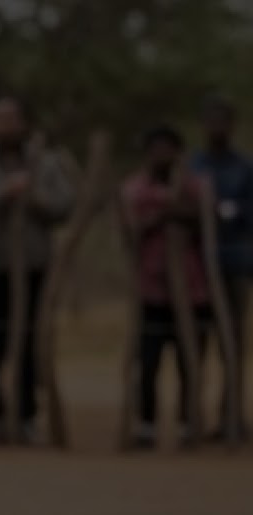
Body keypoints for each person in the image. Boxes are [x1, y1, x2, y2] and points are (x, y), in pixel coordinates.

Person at [0, 94, 74, 445]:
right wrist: (4, 192)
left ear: (24, 123)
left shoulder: (47, 161)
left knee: (28, 344)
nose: (6, 126)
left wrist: (34, 195)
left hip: (34, 266)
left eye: (12, 119)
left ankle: (25, 418)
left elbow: (64, 206)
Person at [122, 126, 213, 449]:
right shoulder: (133, 189)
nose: (161, 155)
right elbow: (130, 228)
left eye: (167, 149)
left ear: (178, 152)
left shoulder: (196, 186)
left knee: (191, 362)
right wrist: (164, 213)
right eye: (155, 149)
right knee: (147, 363)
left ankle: (189, 423)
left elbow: (209, 220)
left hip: (193, 289)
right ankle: (146, 424)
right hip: (151, 289)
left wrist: (179, 209)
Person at [190, 96, 253, 442]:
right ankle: (193, 417)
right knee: (196, 340)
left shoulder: (244, 168)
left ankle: (231, 415)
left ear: (232, 125)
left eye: (222, 122)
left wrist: (225, 211)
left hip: (235, 263)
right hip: (196, 266)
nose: (216, 128)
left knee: (232, 342)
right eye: (210, 122)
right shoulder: (194, 165)